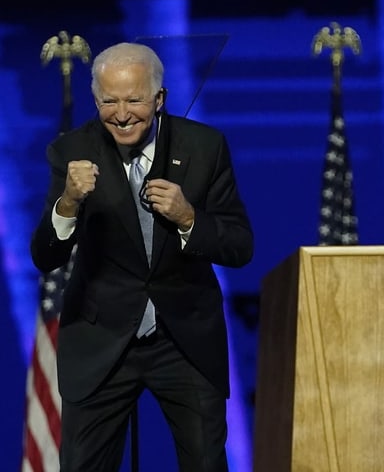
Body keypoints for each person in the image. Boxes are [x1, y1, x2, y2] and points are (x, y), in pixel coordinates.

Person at [30, 42, 253, 471]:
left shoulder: (205, 147)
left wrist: (189, 217)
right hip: (101, 338)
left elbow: (240, 245)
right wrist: (69, 202)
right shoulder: (71, 152)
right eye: (109, 101)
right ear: (96, 101)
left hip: (183, 337)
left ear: (159, 99)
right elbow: (45, 256)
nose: (122, 113)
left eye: (134, 100)